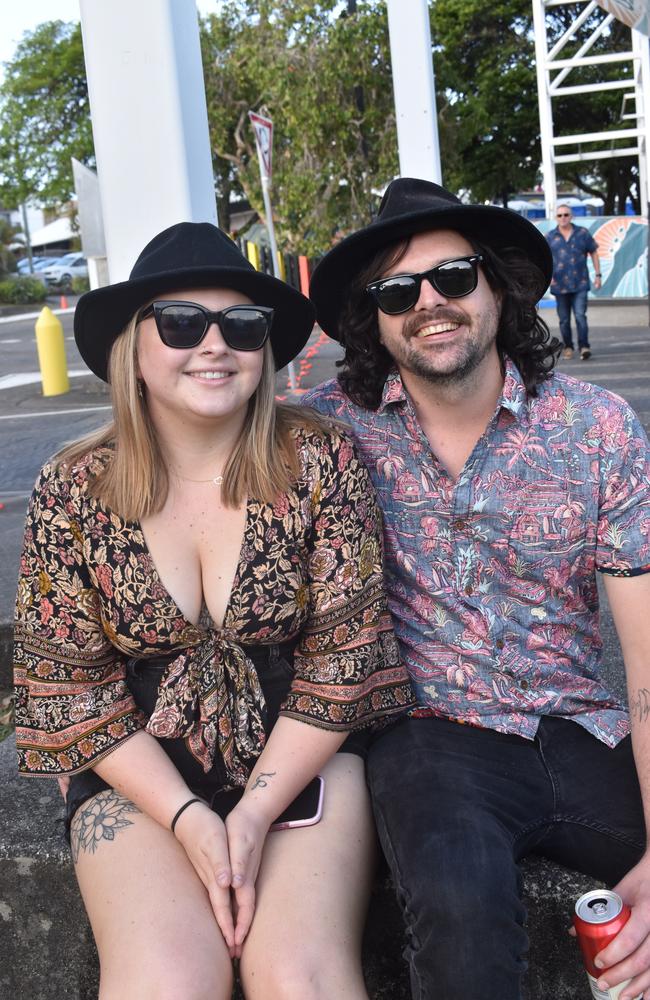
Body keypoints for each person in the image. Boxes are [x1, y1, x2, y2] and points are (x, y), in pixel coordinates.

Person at [13, 222, 413, 1000]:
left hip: (303, 751)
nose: (215, 344)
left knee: (301, 979)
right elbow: (67, 689)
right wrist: (192, 818)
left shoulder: (319, 462)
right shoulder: (73, 488)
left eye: (242, 325)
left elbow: (347, 658)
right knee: (164, 982)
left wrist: (253, 814)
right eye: (182, 322)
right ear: (135, 347)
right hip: (143, 771)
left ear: (264, 348)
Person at [303, 178, 650, 1000]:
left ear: (495, 283)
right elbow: (201, 430)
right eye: (397, 290)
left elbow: (645, 657)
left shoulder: (596, 428)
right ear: (373, 321)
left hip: (580, 726)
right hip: (435, 734)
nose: (429, 302)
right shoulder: (326, 434)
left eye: (453, 276)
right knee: (459, 911)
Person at [546, 202, 601, 361]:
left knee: (580, 316)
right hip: (559, 284)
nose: (563, 218)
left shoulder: (582, 233)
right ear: (556, 218)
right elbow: (543, 258)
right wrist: (546, 277)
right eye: (560, 215)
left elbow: (594, 253)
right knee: (564, 320)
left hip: (580, 283)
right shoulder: (550, 237)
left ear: (571, 216)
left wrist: (598, 275)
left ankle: (584, 346)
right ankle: (568, 346)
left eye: (566, 215)